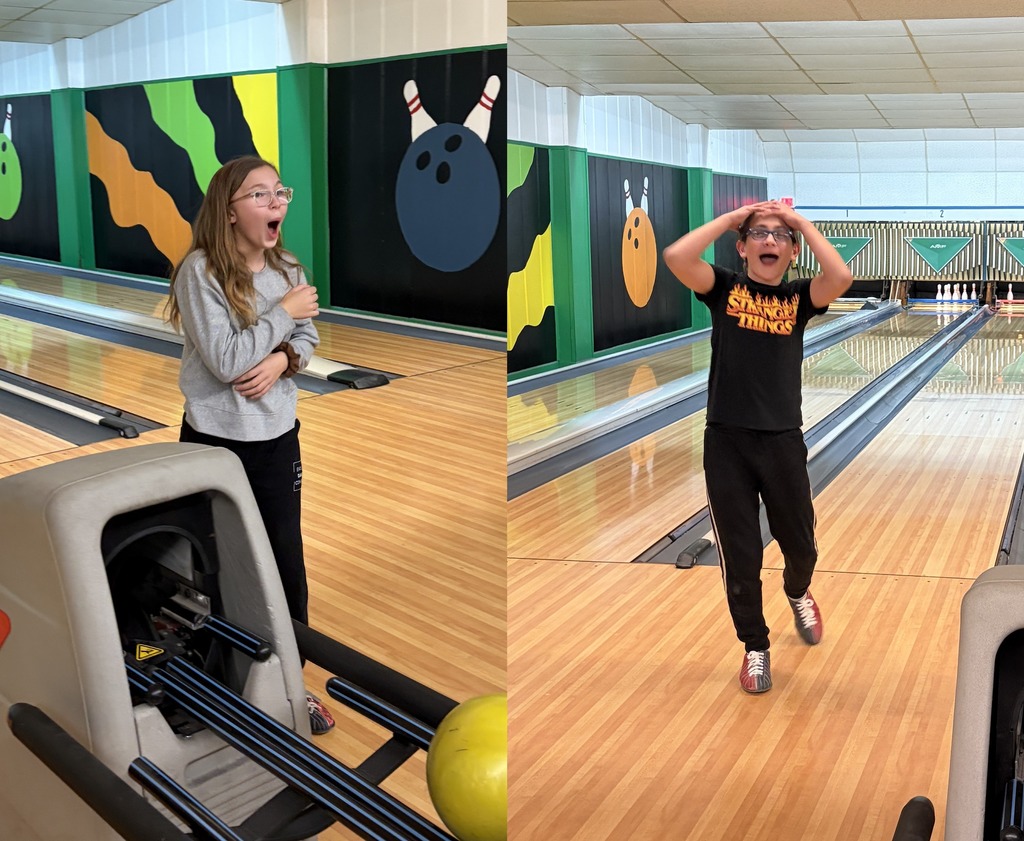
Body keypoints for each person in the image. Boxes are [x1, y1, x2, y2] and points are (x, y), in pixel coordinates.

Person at [166, 155, 335, 733]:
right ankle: (208, 683)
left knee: (285, 562)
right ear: (231, 210)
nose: (276, 204)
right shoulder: (201, 273)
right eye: (261, 195)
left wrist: (286, 357)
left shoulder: (287, 266)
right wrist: (281, 320)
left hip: (276, 440)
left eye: (279, 193)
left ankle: (294, 688)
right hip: (214, 442)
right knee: (210, 564)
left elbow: (309, 337)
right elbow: (228, 362)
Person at [663, 200, 853, 694]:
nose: (770, 240)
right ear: (743, 248)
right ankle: (755, 646)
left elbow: (841, 276)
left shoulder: (797, 298)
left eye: (779, 236)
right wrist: (731, 219)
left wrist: (801, 224)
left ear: (791, 252)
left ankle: (797, 590)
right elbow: (676, 257)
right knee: (741, 557)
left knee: (803, 547)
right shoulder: (724, 288)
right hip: (726, 441)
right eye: (759, 234)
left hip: (783, 442)